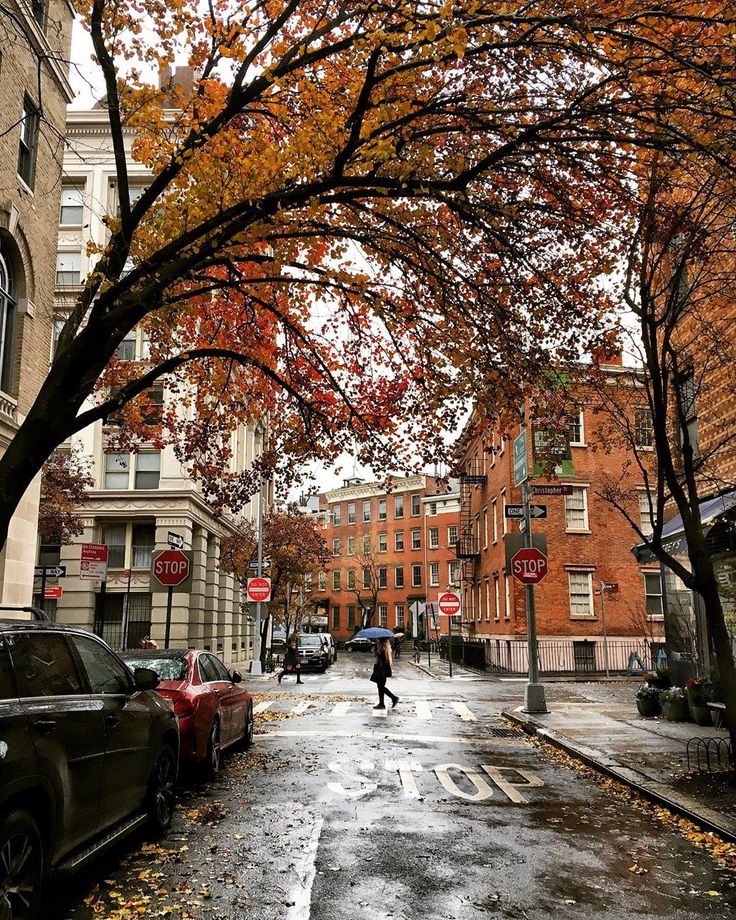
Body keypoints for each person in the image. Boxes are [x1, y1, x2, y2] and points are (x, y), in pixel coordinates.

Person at [371, 638, 398, 709]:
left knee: (381, 687)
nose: (377, 640)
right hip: (381, 669)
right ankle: (382, 703)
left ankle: (393, 698)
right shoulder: (384, 646)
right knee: (380, 687)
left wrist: (377, 652)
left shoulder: (384, 647)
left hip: (381, 670)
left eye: (378, 640)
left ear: (381, 640)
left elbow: (383, 658)